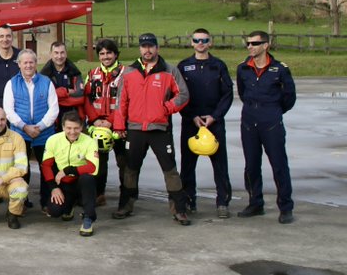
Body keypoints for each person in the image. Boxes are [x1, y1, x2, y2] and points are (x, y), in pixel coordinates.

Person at [113, 33, 190, 225]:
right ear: (139, 49)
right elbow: (121, 100)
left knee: (170, 169)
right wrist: (120, 125)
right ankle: (126, 205)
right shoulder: (129, 72)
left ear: (157, 48)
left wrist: (166, 108)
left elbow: (183, 95)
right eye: (144, 46)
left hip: (159, 128)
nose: (147, 50)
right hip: (135, 129)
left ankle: (179, 209)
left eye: (151, 46)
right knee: (130, 169)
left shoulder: (169, 70)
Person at [236, 31, 297, 224]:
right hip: (249, 122)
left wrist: (273, 111)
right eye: (248, 43)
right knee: (251, 165)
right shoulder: (243, 69)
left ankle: (285, 206)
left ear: (266, 45)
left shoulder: (280, 69)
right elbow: (242, 93)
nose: (250, 47)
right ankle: (255, 202)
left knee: (279, 165)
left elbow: (289, 97)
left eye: (255, 43)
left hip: (271, 123)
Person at [178, 29, 234, 218]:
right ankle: (188, 200)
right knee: (187, 165)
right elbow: (178, 95)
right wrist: (192, 115)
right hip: (191, 122)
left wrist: (215, 116)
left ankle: (223, 202)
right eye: (196, 40)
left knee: (220, 164)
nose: (200, 43)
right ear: (191, 43)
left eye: (204, 40)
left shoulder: (219, 66)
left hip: (213, 122)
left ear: (210, 42)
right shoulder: (184, 66)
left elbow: (227, 94)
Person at [4, 49, 60, 210]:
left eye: (31, 62)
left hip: (44, 134)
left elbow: (54, 109)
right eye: (25, 62)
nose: (28, 65)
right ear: (19, 64)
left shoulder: (46, 82)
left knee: (47, 168)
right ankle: (22, 200)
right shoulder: (11, 83)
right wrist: (24, 127)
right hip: (21, 134)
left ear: (36, 64)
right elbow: (8, 110)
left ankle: (46, 201)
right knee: (23, 169)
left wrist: (40, 126)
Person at [83, 39, 127, 207]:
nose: (106, 56)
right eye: (102, 53)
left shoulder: (126, 73)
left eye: (109, 53)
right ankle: (99, 194)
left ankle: (126, 198)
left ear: (115, 54)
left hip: (119, 126)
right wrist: (95, 120)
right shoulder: (92, 73)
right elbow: (86, 99)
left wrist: (110, 121)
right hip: (97, 126)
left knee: (124, 163)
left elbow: (127, 100)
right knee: (99, 163)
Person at [41, 112, 100, 236]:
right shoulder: (53, 140)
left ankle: (88, 218)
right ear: (63, 127)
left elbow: (93, 167)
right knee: (54, 211)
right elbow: (46, 165)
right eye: (68, 128)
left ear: (81, 127)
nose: (72, 132)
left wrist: (67, 170)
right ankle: (69, 207)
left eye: (76, 128)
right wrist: (54, 188)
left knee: (87, 178)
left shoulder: (90, 142)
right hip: (63, 183)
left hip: (80, 183)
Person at [41, 41, 86, 131]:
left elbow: (80, 97)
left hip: (73, 119)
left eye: (62, 53)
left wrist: (54, 97)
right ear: (51, 54)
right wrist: (66, 92)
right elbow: (43, 97)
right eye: (56, 53)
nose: (59, 56)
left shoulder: (74, 72)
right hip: (51, 121)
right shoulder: (43, 75)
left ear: (66, 54)